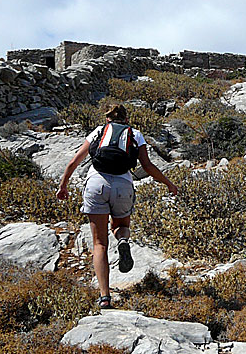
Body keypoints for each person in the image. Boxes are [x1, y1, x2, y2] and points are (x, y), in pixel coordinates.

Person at [57, 103, 178, 309]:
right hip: (123, 184)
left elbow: (75, 161)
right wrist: (169, 184)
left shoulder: (98, 131)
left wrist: (63, 185)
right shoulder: (135, 134)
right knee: (121, 225)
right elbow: (147, 166)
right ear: (127, 119)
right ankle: (122, 240)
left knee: (99, 244)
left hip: (97, 183)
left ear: (107, 119)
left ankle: (105, 297)